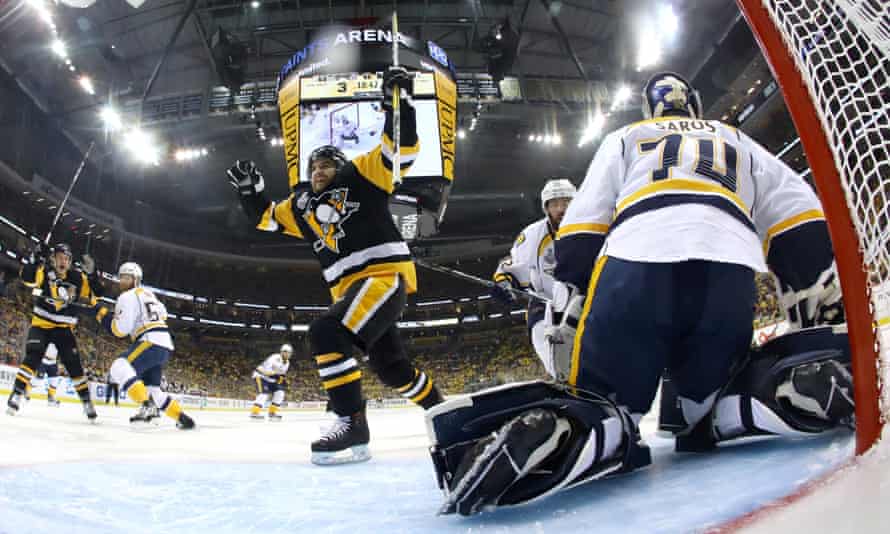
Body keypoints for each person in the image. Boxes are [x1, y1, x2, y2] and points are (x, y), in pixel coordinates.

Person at [426, 72, 853, 515]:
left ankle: (581, 431)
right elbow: (800, 215)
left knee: (608, 402)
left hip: (634, 262)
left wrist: (575, 292)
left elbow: (583, 226)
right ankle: (775, 391)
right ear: (696, 105)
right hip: (725, 264)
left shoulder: (628, 136)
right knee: (704, 411)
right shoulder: (735, 138)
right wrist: (811, 285)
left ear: (651, 109)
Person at [228, 66, 443, 465]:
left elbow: (402, 149)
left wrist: (403, 104)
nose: (318, 170)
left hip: (382, 279)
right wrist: (250, 193)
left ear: (341, 164)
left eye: (326, 164)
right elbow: (265, 218)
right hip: (356, 292)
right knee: (393, 369)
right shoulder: (301, 205)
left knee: (327, 331)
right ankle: (442, 411)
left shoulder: (361, 173)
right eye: (313, 167)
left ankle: (351, 422)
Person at [491, 178, 576, 379]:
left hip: (583, 303)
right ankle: (562, 381)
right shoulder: (532, 235)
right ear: (546, 208)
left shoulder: (592, 229)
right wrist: (504, 281)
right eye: (555, 204)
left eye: (566, 203)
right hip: (544, 305)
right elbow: (513, 264)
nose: (561, 208)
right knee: (549, 350)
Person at [94, 262, 194, 429]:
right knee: (153, 389)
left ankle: (146, 406)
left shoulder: (126, 296)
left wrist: (102, 316)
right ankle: (181, 417)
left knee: (119, 366)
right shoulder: (149, 294)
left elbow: (120, 330)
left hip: (149, 339)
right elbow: (163, 313)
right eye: (121, 277)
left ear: (136, 279)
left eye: (126, 277)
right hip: (164, 343)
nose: (122, 281)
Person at [6, 243, 100, 421]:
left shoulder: (78, 278)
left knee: (74, 365)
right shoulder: (44, 270)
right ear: (53, 259)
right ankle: (17, 393)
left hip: (64, 327)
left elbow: (98, 294)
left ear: (70, 261)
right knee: (33, 356)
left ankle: (87, 402)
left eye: (65, 258)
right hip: (42, 322)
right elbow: (26, 278)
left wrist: (93, 274)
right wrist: (33, 260)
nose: (62, 261)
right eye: (59, 257)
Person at [250, 343, 292, 421]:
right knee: (264, 393)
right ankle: (254, 413)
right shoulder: (274, 357)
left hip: (271, 379)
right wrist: (277, 376)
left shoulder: (287, 363)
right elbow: (266, 372)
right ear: (281, 352)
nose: (287, 354)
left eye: (289, 352)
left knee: (280, 392)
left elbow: (281, 375)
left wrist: (283, 381)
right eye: (285, 351)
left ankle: (272, 413)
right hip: (260, 375)